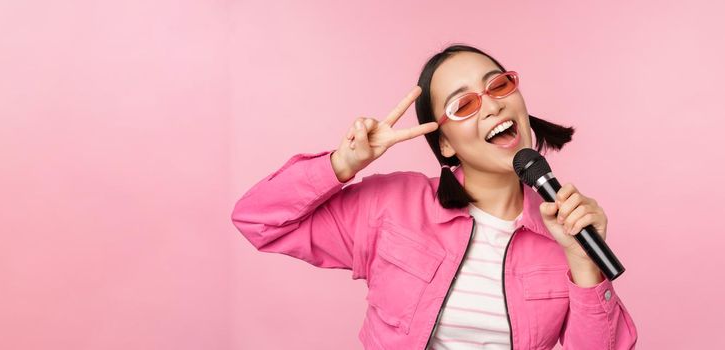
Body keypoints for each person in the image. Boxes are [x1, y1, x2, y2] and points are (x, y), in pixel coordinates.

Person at [231, 44, 638, 349]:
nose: (492, 105)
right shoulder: (391, 206)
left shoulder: (564, 234)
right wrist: (343, 163)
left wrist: (584, 262)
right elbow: (257, 220)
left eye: (498, 85)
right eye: (464, 104)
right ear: (445, 144)